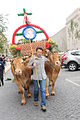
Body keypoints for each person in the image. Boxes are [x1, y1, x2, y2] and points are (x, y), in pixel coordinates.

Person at [28, 47, 49, 112]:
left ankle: (43, 105)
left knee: (43, 90)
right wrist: (32, 66)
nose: (39, 53)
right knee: (36, 90)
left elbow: (49, 60)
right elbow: (28, 66)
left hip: (43, 77)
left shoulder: (43, 58)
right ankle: (36, 99)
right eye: (38, 52)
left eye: (40, 52)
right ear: (36, 52)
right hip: (36, 77)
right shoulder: (33, 59)